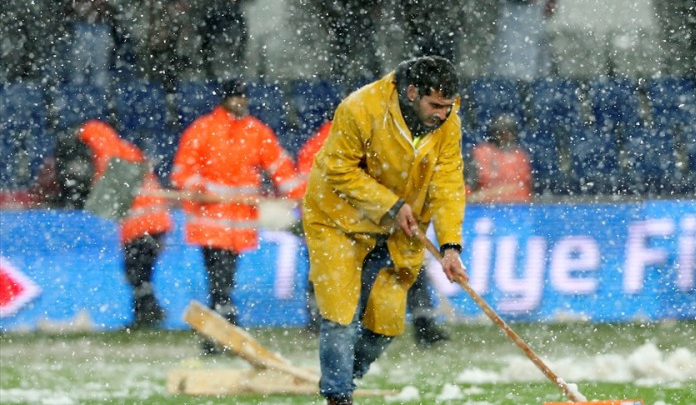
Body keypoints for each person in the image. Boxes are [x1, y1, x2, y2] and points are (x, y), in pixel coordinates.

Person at [301, 56, 468, 405]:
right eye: (435, 106)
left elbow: (448, 183)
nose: (443, 115)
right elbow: (338, 170)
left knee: (386, 325)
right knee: (340, 316)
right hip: (337, 219)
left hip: (398, 230)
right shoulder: (360, 108)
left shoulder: (448, 122)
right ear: (412, 93)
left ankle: (343, 377)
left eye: (448, 106)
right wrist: (390, 205)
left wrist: (450, 246)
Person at [171, 79, 306, 352]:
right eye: (235, 97)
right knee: (219, 279)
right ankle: (224, 323)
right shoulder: (204, 129)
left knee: (223, 279)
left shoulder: (256, 132)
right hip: (211, 221)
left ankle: (219, 329)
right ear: (225, 99)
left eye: (243, 97)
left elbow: (280, 166)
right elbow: (184, 169)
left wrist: (300, 193)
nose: (240, 102)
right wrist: (197, 187)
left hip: (239, 222)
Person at [297, 118, 452, 345]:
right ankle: (422, 326)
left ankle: (325, 324)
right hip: (358, 223)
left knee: (327, 274)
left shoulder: (323, 144)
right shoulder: (362, 139)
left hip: (356, 222)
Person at [34, 120, 172, 328]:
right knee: (140, 271)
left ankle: (148, 312)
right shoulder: (125, 151)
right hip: (152, 221)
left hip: (141, 223)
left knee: (136, 271)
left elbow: (107, 195)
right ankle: (148, 311)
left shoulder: (110, 154)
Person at [467, 114, 533, 204]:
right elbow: (469, 191)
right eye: (502, 132)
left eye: (510, 132)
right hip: (484, 209)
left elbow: (525, 191)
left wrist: (488, 193)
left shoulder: (520, 156)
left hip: (516, 209)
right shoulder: (481, 153)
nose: (506, 136)